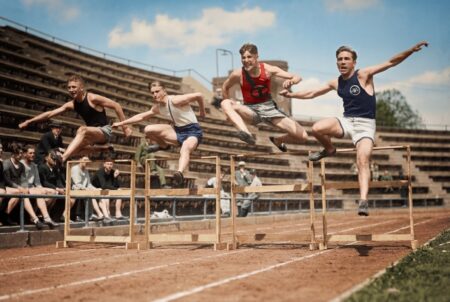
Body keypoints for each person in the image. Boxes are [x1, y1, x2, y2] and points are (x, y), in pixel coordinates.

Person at [281, 41, 428, 216]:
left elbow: (390, 63)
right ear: (336, 63)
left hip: (365, 126)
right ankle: (329, 149)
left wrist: (410, 50)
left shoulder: (363, 75)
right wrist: (292, 94)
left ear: (354, 62)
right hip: (347, 121)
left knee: (362, 160)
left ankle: (363, 201)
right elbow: (312, 93)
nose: (342, 62)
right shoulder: (336, 82)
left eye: (346, 59)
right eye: (339, 59)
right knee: (317, 128)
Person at [18, 75, 132, 163]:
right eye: (69, 87)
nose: (71, 90)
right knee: (74, 151)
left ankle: (62, 159)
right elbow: (50, 114)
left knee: (82, 130)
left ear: (81, 88)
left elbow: (116, 105)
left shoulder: (92, 98)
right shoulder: (72, 104)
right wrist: (29, 121)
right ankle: (104, 148)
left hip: (104, 131)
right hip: (92, 137)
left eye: (74, 87)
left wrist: (125, 128)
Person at [112, 81, 206, 188]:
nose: (155, 95)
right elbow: (141, 117)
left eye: (157, 91)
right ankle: (164, 146)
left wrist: (202, 111)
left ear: (164, 91)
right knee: (148, 129)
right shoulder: (158, 107)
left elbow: (199, 95)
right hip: (177, 131)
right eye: (152, 93)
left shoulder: (175, 100)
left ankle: (179, 173)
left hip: (193, 132)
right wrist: (121, 123)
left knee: (184, 148)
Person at [221, 43, 308, 151]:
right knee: (225, 103)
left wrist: (292, 81)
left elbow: (297, 76)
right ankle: (246, 134)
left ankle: (278, 140)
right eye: (243, 58)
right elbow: (225, 87)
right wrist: (229, 112)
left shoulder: (268, 69)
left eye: (249, 57)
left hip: (269, 109)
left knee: (303, 136)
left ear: (257, 56)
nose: (246, 60)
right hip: (250, 110)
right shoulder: (238, 74)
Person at [3, 143, 46, 229]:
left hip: (17, 188)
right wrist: (19, 188)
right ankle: (5, 215)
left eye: (21, 153)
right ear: (13, 154)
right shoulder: (7, 164)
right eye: (18, 153)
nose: (20, 155)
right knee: (20, 193)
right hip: (6, 186)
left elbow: (23, 180)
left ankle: (35, 219)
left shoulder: (21, 165)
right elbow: (7, 180)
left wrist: (25, 188)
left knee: (24, 194)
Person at [21, 145, 59, 228]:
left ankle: (41, 213)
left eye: (34, 153)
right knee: (39, 192)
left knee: (54, 192)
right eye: (30, 153)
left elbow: (37, 183)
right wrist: (37, 189)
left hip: (33, 187)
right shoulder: (21, 164)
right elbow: (22, 182)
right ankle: (46, 218)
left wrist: (42, 189)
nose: (32, 155)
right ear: (25, 154)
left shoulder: (34, 166)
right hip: (24, 188)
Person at [38, 149, 74, 222]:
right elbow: (44, 182)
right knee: (55, 193)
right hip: (45, 189)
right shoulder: (42, 167)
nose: (54, 160)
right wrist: (57, 188)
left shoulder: (54, 169)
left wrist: (63, 188)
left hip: (54, 189)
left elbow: (58, 180)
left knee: (67, 195)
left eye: (54, 158)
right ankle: (43, 214)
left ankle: (57, 216)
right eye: (52, 158)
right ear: (46, 158)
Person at [71, 156, 105, 222]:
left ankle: (101, 215)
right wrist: (87, 189)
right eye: (85, 160)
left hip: (84, 189)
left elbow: (89, 184)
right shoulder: (75, 169)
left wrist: (95, 189)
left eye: (87, 160)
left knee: (97, 193)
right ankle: (96, 214)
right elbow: (77, 184)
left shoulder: (86, 170)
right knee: (90, 194)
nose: (86, 161)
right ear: (80, 160)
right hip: (76, 189)